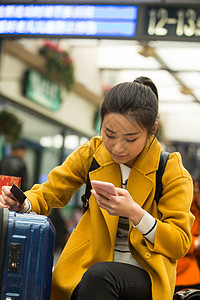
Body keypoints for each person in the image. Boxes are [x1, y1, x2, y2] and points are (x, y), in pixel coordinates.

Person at [0, 76, 194, 300]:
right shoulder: (92, 153)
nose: (118, 147)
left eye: (131, 139)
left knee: (100, 277)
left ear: (153, 130)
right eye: (109, 134)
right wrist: (24, 203)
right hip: (89, 265)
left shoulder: (171, 170)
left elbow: (179, 243)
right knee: (81, 280)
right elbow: (50, 191)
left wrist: (135, 213)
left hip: (146, 274)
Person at [175, 174, 200, 293]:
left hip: (189, 273)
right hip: (176, 271)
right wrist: (195, 243)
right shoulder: (183, 201)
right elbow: (176, 235)